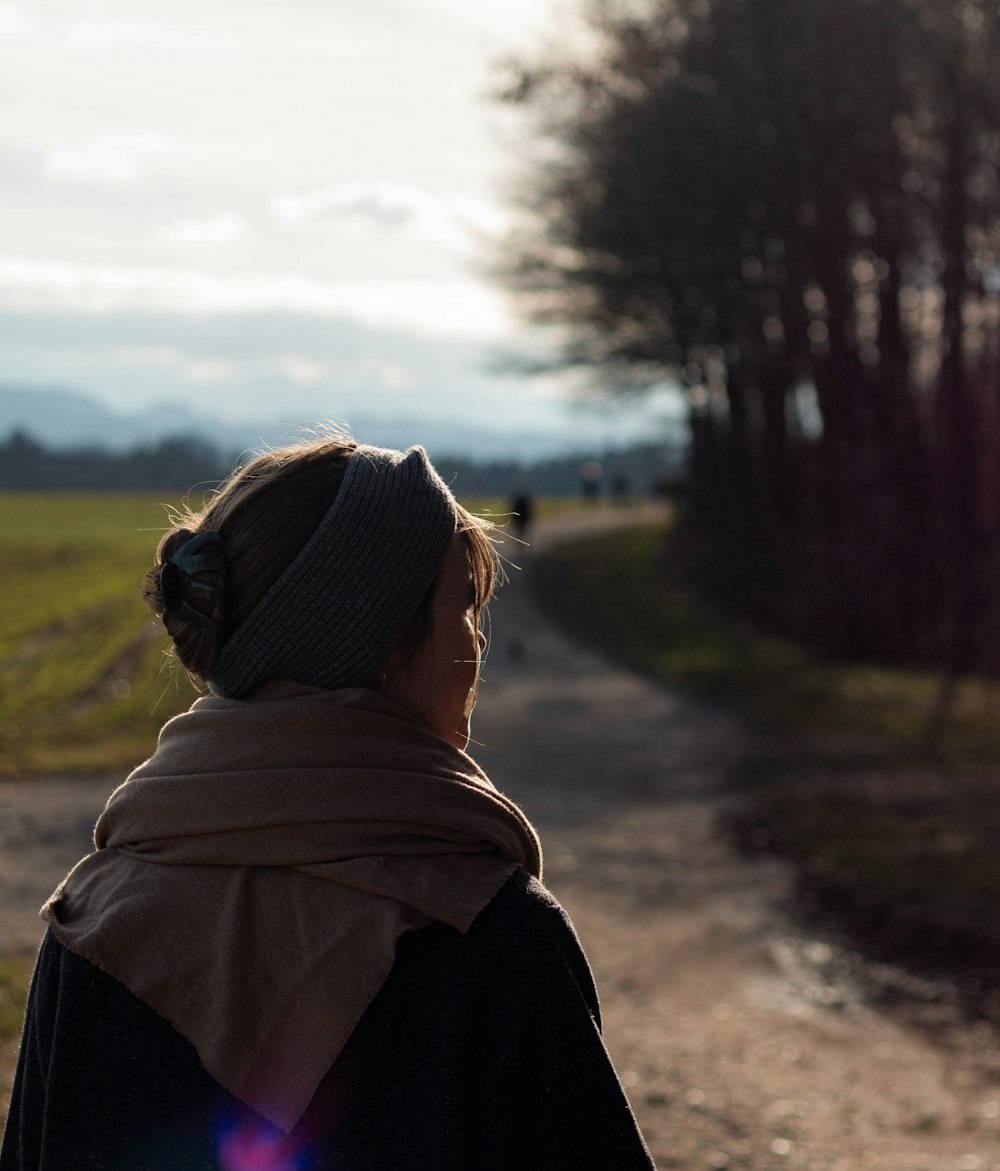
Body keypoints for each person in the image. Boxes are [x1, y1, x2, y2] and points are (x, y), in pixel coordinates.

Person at [1, 435, 655, 1170]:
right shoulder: (494, 933)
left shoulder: (92, 926)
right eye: (464, 608)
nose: (477, 646)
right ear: (374, 642)